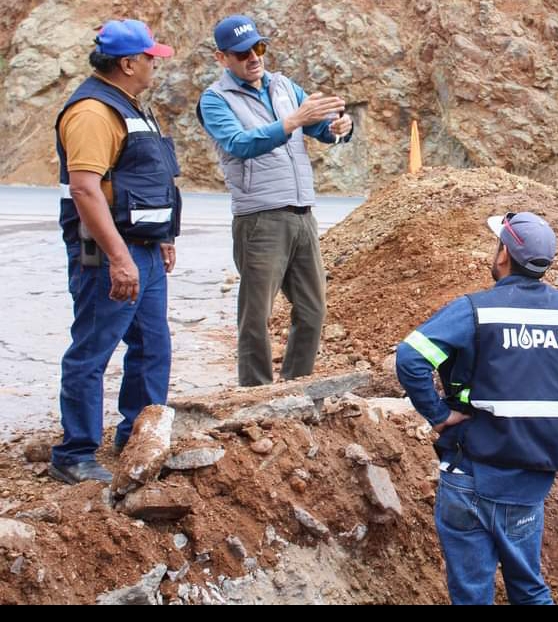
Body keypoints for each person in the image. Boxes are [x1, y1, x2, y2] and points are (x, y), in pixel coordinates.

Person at [396, 212, 558, 604]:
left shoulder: (475, 310)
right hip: (527, 481)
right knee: (528, 587)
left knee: (471, 592)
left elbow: (410, 356)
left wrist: (438, 414)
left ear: (504, 255)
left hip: (468, 472)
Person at [52, 20, 180, 484]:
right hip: (109, 253)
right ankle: (75, 452)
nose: (154, 65)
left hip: (143, 249)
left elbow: (148, 180)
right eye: (150, 58)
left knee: (151, 346)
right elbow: (85, 191)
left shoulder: (129, 107)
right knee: (93, 348)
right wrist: (119, 258)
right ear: (128, 63)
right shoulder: (91, 112)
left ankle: (137, 438)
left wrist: (162, 235)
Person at [197, 15, 353, 386]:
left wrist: (338, 130)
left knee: (313, 310)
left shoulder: (282, 86)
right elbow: (238, 144)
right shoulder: (215, 100)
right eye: (242, 53)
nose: (254, 57)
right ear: (222, 58)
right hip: (260, 218)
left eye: (259, 48)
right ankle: (256, 392)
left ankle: (297, 386)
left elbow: (317, 127)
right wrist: (292, 121)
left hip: (302, 214)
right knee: (256, 315)